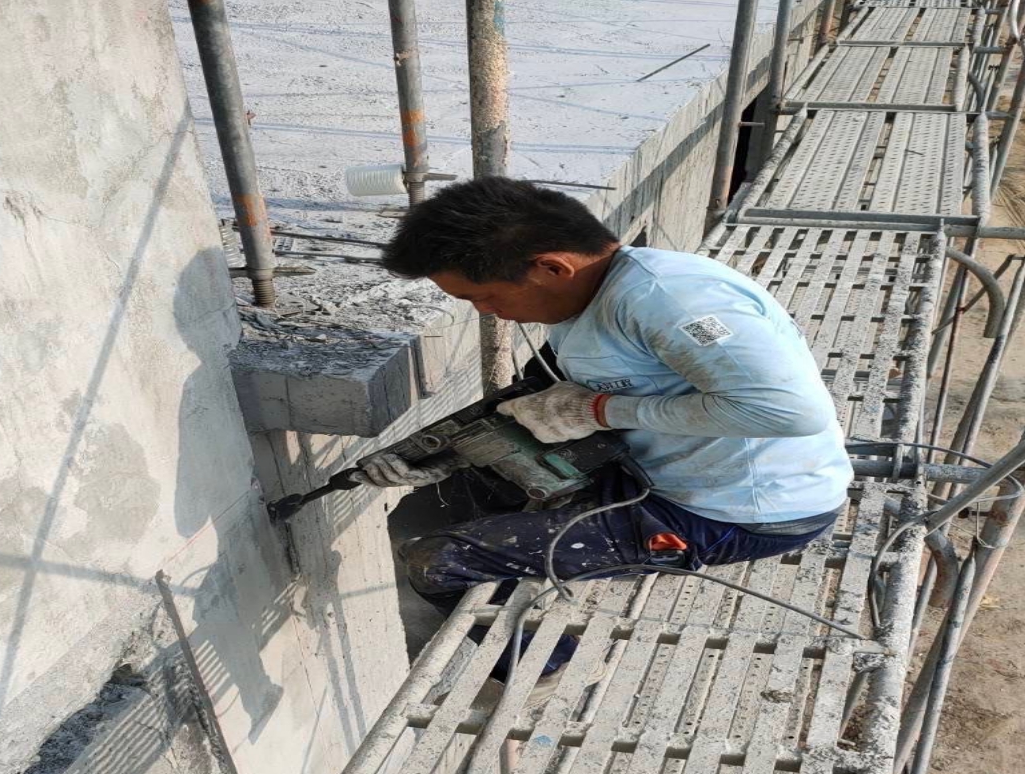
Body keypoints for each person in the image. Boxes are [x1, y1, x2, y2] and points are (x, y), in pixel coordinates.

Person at [365, 176, 853, 681]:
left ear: (553, 267)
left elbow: (789, 412)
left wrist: (600, 411)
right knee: (493, 484)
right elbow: (531, 400)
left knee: (440, 562)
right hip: (666, 471)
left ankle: (548, 671)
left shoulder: (672, 303)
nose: (484, 311)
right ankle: (522, 579)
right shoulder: (589, 295)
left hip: (736, 513)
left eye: (483, 296)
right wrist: (440, 457)